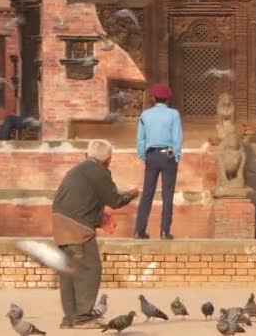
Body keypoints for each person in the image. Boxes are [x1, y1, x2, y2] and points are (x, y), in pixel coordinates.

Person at [52, 139, 139, 329]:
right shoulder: (99, 172)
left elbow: (83, 200)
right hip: (78, 228)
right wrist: (132, 193)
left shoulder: (75, 171)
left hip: (60, 224)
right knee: (90, 269)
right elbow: (115, 200)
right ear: (108, 160)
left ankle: (69, 318)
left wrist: (99, 217)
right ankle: (83, 318)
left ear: (86, 155)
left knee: (68, 272)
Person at [134, 83, 183, 240]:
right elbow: (177, 137)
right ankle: (164, 231)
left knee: (147, 194)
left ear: (153, 98)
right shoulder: (173, 114)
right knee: (167, 195)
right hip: (168, 155)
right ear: (167, 99)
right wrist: (176, 155)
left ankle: (139, 231)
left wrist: (143, 154)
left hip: (151, 156)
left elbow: (140, 138)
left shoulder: (145, 115)